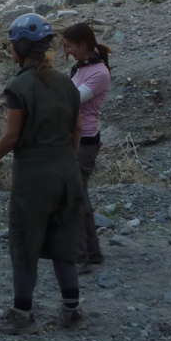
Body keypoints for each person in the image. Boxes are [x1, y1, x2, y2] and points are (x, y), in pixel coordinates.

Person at [0, 13, 86, 333]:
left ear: (22, 47)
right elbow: (77, 130)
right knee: (64, 242)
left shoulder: (18, 87)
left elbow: (11, 137)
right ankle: (72, 311)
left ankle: (22, 314)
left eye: (12, 44)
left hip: (35, 175)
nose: (10, 49)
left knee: (25, 243)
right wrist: (67, 161)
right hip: (68, 171)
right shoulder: (67, 83)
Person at [61, 22, 112, 272]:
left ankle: (80, 256)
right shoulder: (81, 68)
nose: (67, 51)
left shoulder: (99, 73)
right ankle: (92, 252)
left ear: (83, 44)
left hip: (85, 141)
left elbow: (72, 100)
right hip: (75, 138)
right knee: (79, 196)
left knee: (74, 198)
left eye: (70, 46)